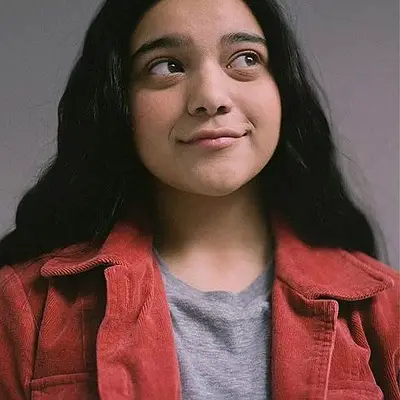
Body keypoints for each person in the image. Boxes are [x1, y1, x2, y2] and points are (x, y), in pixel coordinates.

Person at [0, 0, 398, 398]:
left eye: (245, 58)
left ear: (282, 89)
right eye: (166, 66)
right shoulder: (23, 310)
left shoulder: (387, 310)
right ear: (119, 100)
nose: (210, 96)